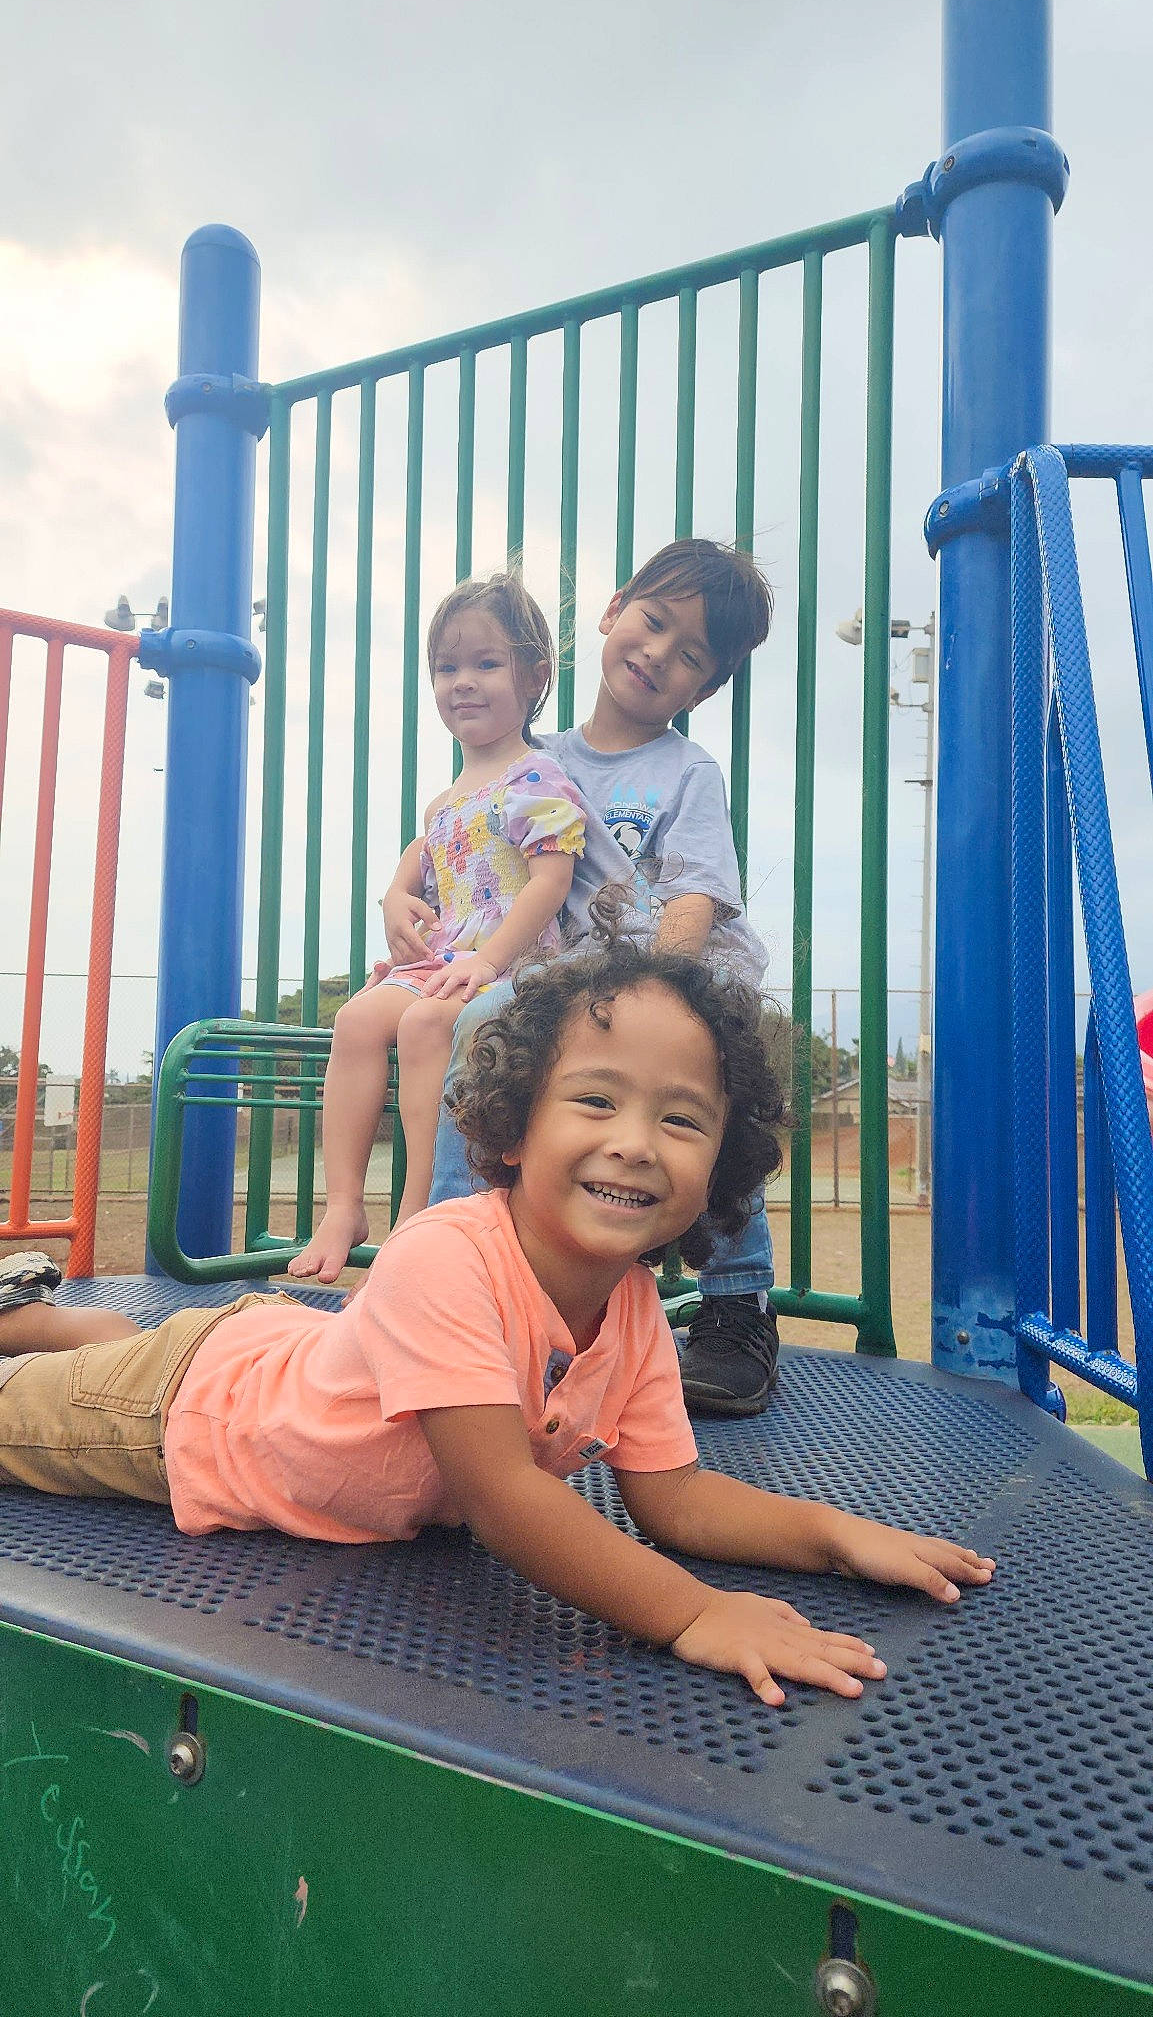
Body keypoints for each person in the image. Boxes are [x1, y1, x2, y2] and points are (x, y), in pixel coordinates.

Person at [0, 948, 995, 1708]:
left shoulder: (632, 1310)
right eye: (595, 1100)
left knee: (135, 1339)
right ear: (515, 1128)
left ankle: (37, 1316)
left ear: (719, 1167)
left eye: (682, 1120)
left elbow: (676, 1500)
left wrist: (833, 1535)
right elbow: (502, 1497)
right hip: (185, 1416)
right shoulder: (444, 1258)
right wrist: (693, 1611)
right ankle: (41, 1331)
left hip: (272, 1347)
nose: (634, 1142)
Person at [422, 537, 780, 1417]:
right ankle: (455, 1265)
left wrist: (663, 996)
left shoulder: (683, 770)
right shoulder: (531, 758)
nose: (656, 653)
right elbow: (469, 858)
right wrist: (411, 909)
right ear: (615, 609)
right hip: (561, 988)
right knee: (473, 1024)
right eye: (652, 622)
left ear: (705, 688)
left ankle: (737, 1303)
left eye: (689, 654)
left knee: (710, 1092)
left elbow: (696, 892)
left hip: (671, 974)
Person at [287, 571, 586, 1280]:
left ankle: (416, 1214)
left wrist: (490, 960)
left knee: (425, 1025)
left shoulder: (537, 778)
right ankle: (343, 1205)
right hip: (445, 961)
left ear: (534, 676)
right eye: (447, 668)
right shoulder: (446, 801)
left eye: (486, 663)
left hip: (512, 965)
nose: (463, 683)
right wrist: (394, 898)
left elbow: (551, 881)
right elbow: (418, 865)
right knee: (356, 1020)